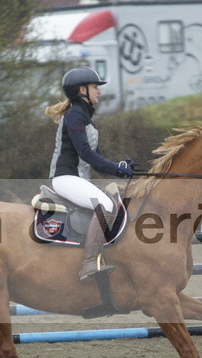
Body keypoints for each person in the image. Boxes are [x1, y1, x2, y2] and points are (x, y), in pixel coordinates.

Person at [44, 67, 134, 282]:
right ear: (81, 90)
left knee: (113, 201)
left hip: (77, 179)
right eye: (95, 87)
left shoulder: (84, 117)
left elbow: (97, 161)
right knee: (105, 205)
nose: (99, 92)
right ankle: (89, 263)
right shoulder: (75, 114)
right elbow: (85, 153)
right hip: (65, 178)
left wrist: (120, 166)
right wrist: (117, 168)